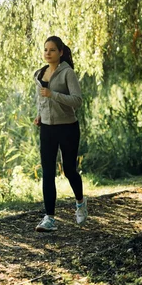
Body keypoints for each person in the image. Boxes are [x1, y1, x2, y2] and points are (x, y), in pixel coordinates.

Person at [33, 36, 87, 232]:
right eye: (45, 49)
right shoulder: (40, 74)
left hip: (67, 127)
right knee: (48, 173)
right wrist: (39, 115)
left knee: (69, 170)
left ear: (61, 52)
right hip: (47, 129)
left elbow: (77, 101)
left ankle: (80, 203)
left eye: (52, 50)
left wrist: (53, 95)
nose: (48, 53)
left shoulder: (67, 73)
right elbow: (40, 100)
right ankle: (49, 218)